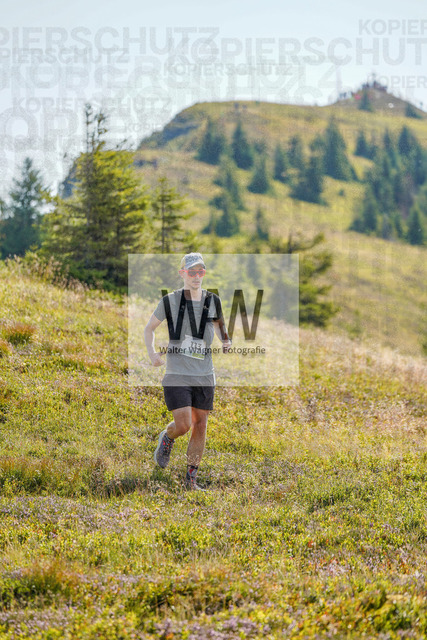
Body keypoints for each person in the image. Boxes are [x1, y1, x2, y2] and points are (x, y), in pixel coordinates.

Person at [144, 253, 232, 490]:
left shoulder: (212, 300)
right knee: (183, 425)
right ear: (182, 273)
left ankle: (190, 480)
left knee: (200, 424)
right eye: (191, 272)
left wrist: (225, 339)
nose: (196, 276)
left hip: (204, 374)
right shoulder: (170, 301)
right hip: (177, 373)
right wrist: (152, 354)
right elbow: (149, 329)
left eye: (200, 271)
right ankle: (168, 437)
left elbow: (219, 324)